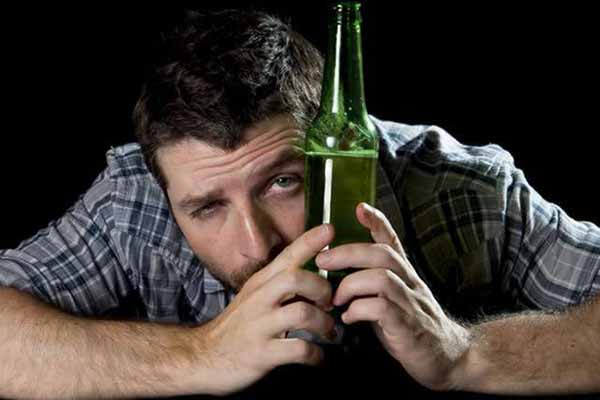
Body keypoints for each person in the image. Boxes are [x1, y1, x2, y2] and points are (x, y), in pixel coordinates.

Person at [0, 9, 598, 399]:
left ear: (334, 147)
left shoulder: (462, 188)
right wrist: (199, 354)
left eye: (281, 183)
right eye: (207, 208)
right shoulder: (132, 202)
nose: (257, 245)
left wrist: (464, 354)